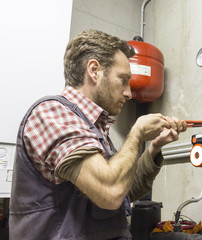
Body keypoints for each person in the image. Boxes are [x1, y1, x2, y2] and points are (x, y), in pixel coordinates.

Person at [9, 29, 187, 240]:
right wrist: (137, 132)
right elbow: (110, 193)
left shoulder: (92, 128)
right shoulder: (52, 114)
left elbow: (123, 192)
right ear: (94, 70)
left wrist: (154, 148)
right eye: (123, 79)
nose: (129, 93)